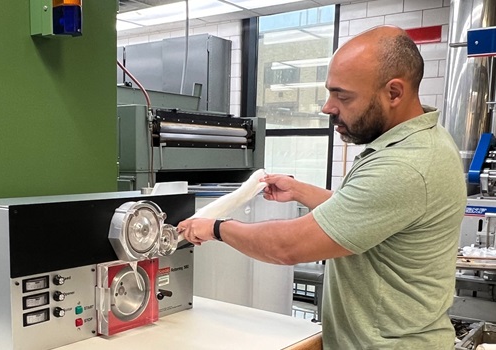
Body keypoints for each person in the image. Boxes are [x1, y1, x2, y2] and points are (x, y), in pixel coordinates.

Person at [177, 25, 466, 349]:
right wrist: (301, 191)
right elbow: (365, 212)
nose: (327, 107)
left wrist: (215, 228)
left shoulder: (406, 166)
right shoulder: (424, 140)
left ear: (394, 93)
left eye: (342, 96)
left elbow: (289, 247)